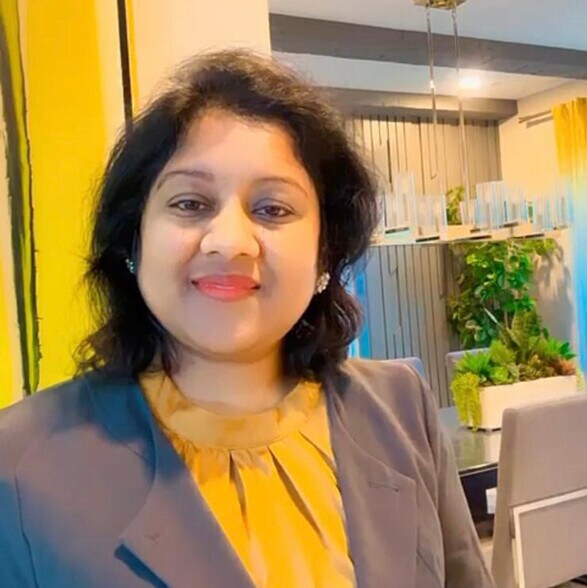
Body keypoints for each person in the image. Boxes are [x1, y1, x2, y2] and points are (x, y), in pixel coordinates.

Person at [0, 50, 494, 588]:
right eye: (190, 204)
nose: (231, 242)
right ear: (132, 240)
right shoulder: (19, 463)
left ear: (325, 252)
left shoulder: (400, 407)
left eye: (272, 209)